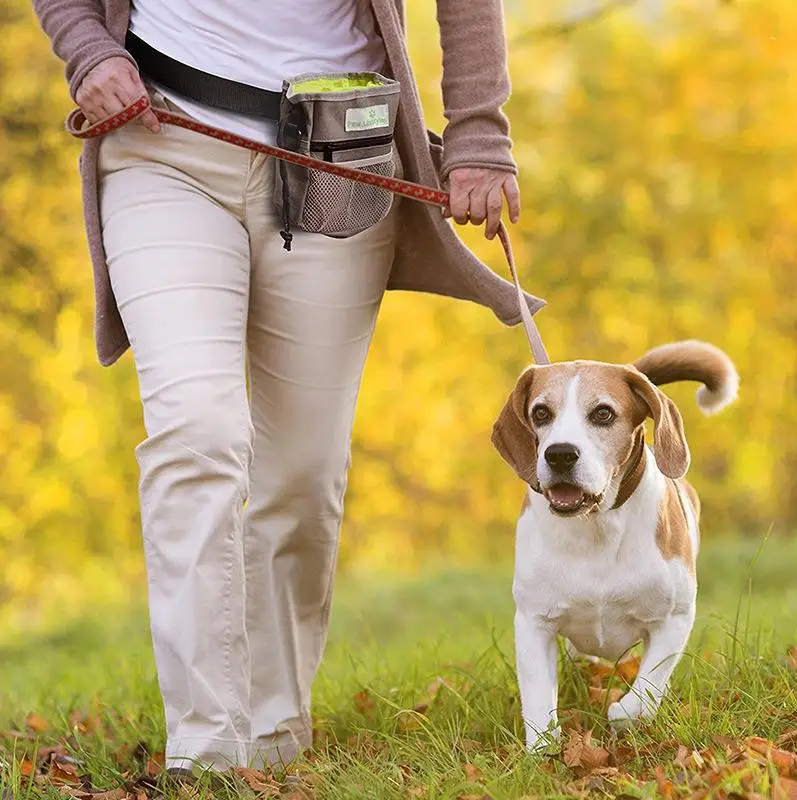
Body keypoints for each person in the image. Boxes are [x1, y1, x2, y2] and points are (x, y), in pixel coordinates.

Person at [32, 0, 544, 776]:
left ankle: (271, 742)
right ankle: (204, 750)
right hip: (161, 139)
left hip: (340, 154)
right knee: (195, 431)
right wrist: (88, 49)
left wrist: (479, 134)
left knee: (303, 475)